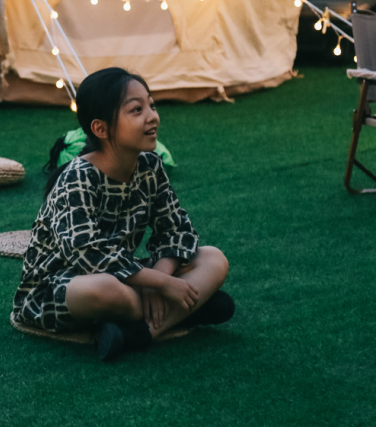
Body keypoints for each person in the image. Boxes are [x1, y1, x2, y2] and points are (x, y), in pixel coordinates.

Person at [12, 67, 234, 362]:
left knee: (214, 258)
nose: (152, 116)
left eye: (151, 105)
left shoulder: (150, 166)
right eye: (136, 110)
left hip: (126, 275)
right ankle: (188, 309)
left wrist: (159, 277)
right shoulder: (77, 177)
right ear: (101, 129)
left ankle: (138, 333)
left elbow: (176, 229)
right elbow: (88, 255)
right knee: (104, 289)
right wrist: (161, 285)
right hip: (62, 286)